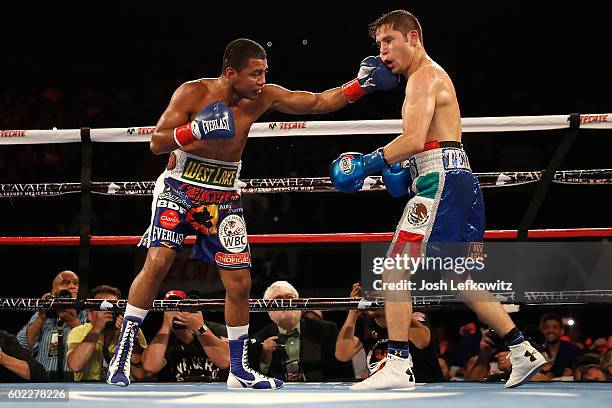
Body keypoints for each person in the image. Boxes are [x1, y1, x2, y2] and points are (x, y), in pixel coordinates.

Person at [107, 38, 399, 389]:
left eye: (265, 72)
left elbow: (318, 102)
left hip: (223, 194)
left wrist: (361, 85)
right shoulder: (193, 93)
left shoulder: (265, 96)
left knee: (241, 282)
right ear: (231, 73)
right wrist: (197, 129)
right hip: (179, 188)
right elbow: (156, 142)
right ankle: (121, 357)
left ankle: (239, 370)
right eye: (255, 73)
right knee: (157, 263)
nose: (262, 80)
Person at [329, 10, 546, 389]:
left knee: (395, 267)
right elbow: (427, 144)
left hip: (440, 181)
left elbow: (413, 140)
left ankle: (398, 364)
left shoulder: (423, 77)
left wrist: (367, 163)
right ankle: (521, 348)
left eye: (388, 41)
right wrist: (404, 173)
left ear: (413, 37)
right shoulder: (432, 76)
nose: (382, 53)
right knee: (457, 275)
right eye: (378, 44)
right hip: (459, 178)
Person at [335, 283, 443, 382]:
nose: (370, 295)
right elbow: (342, 355)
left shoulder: (413, 312)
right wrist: (352, 310)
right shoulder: (364, 321)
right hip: (383, 388)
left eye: (376, 289)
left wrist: (397, 307)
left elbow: (422, 342)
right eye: (367, 293)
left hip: (422, 387)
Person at [249, 281, 352, 382]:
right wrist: (265, 359)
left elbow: (343, 371)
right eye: (278, 300)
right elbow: (254, 379)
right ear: (269, 311)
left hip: (321, 393)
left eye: (289, 298)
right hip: (279, 394)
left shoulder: (326, 330)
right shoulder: (259, 338)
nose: (286, 303)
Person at [142, 290, 230, 382]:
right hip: (177, 393)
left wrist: (200, 328)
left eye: (180, 307)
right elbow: (150, 367)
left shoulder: (215, 329)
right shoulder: (163, 337)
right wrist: (166, 325)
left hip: (216, 393)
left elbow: (226, 360)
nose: (176, 312)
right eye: (170, 308)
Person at [67, 285, 148, 382]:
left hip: (123, 390)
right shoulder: (79, 332)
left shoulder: (133, 330)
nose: (108, 312)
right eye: (102, 308)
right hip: (89, 391)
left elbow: (140, 374)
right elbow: (75, 366)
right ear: (90, 314)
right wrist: (96, 329)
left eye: (112, 307)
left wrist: (128, 337)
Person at [17, 269, 86, 381]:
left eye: (75, 283)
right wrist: (42, 317)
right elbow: (22, 345)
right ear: (54, 291)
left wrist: (73, 321)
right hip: (43, 381)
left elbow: (93, 346)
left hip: (75, 382)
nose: (72, 286)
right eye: (66, 283)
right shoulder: (41, 315)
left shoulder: (85, 313)